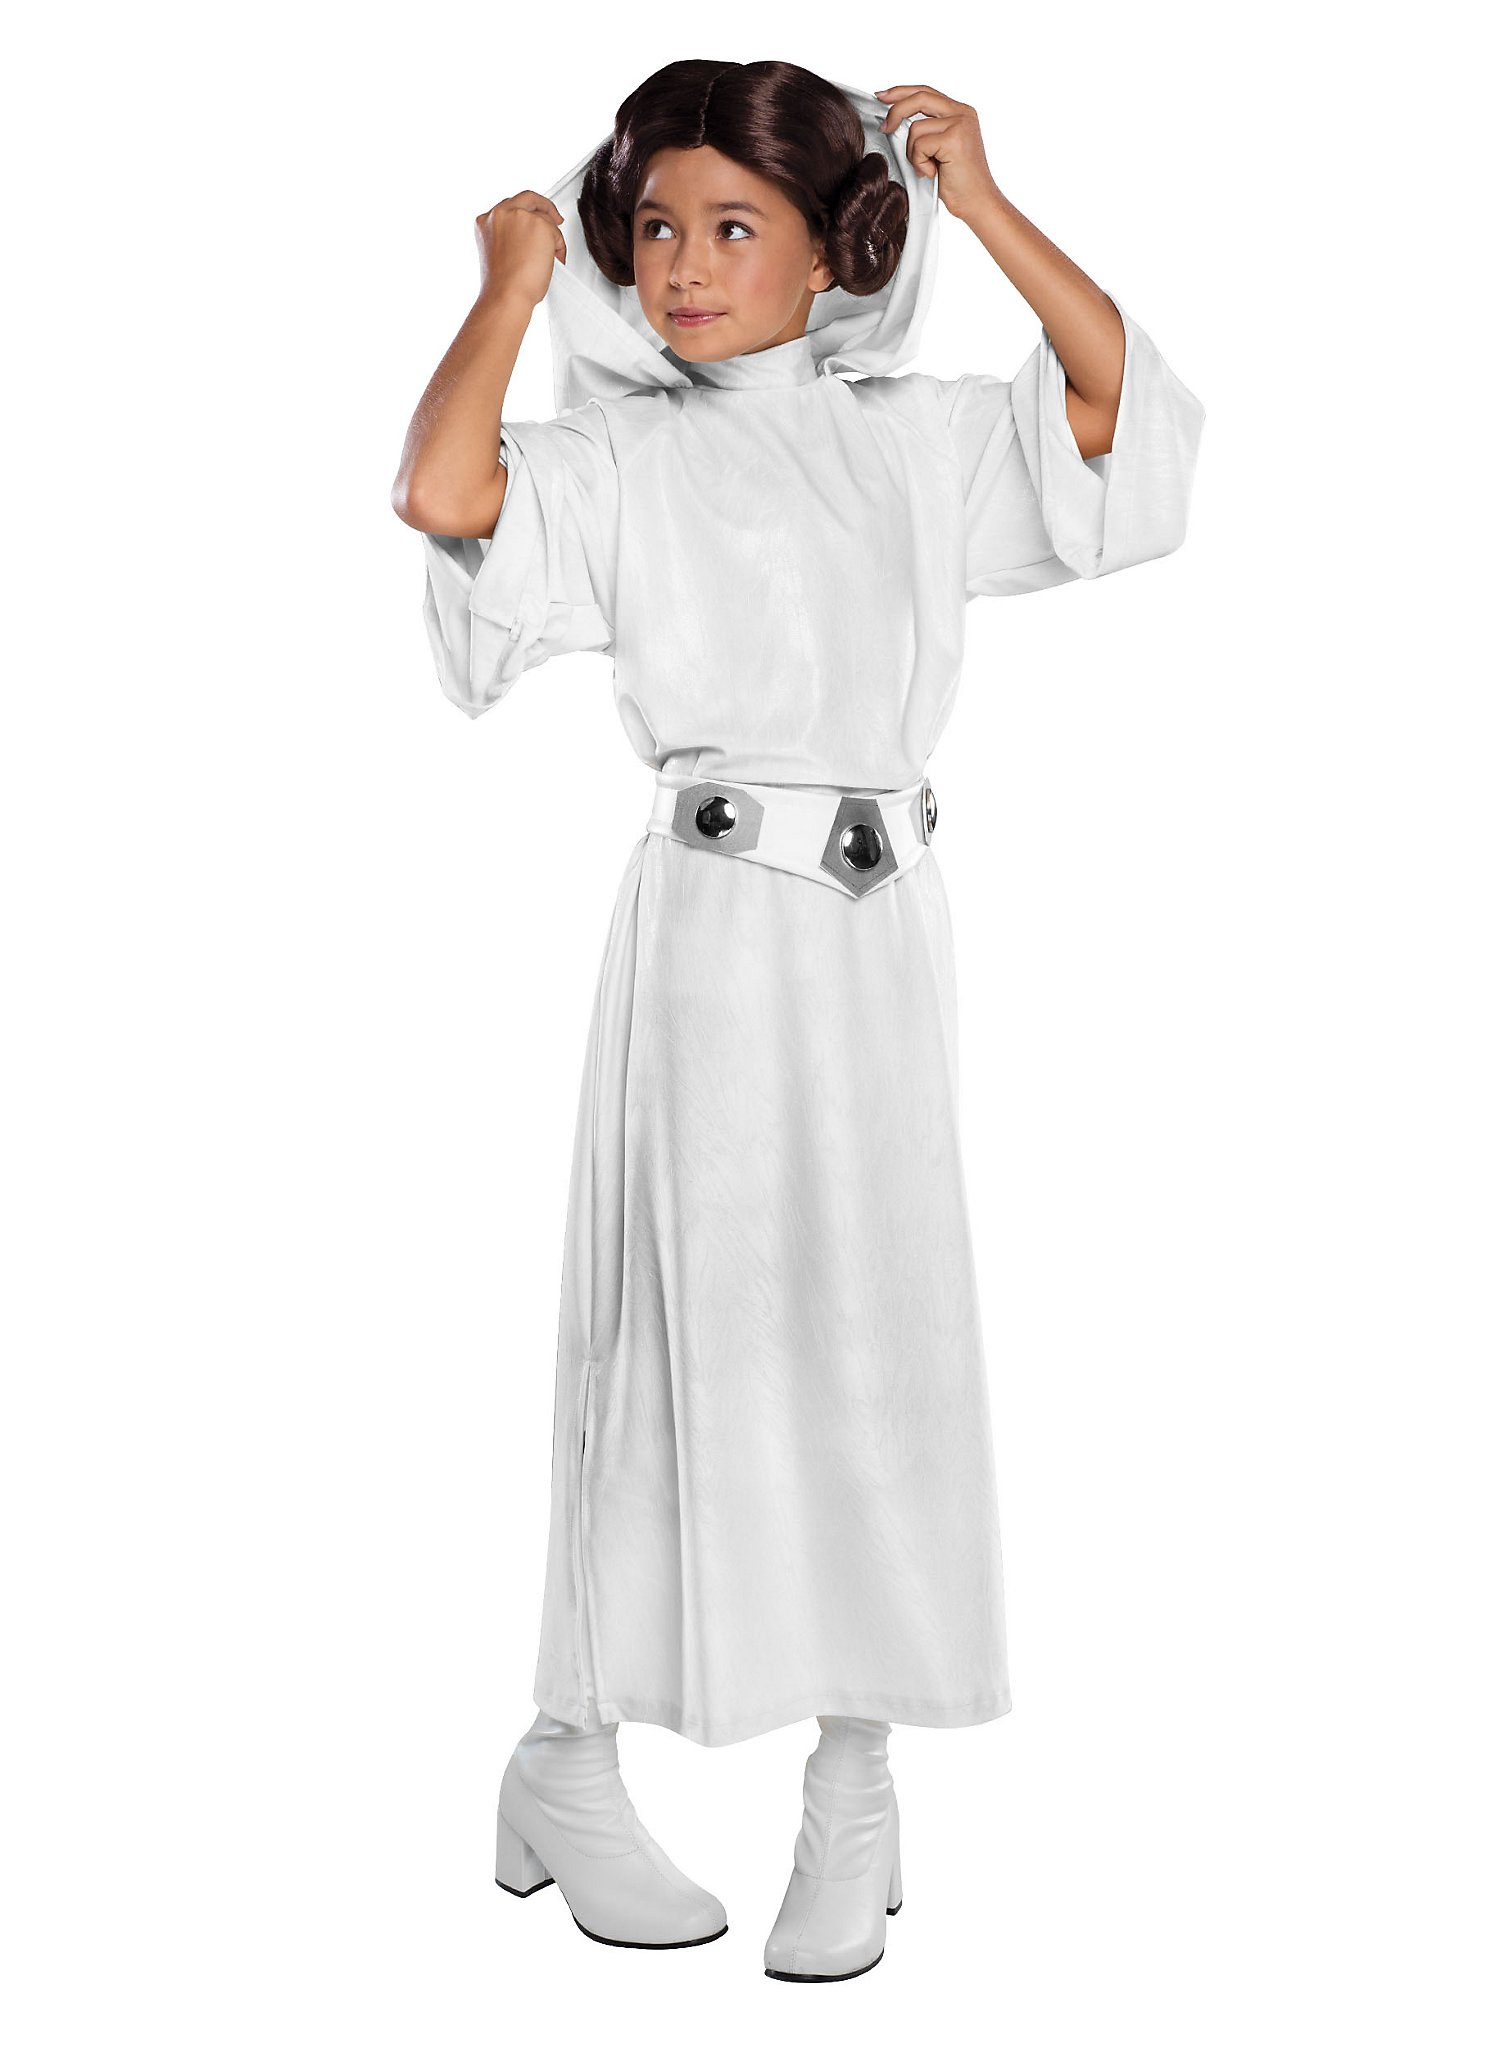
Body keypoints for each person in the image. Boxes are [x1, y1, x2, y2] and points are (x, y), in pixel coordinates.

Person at [391, 59, 1204, 1983]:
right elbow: (443, 492)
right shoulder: (617, 462)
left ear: (832, 252)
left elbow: (1113, 408)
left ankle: (857, 1787)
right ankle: (567, 1754)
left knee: (881, 1344)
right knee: (674, 1333)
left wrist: (978, 200)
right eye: (655, 228)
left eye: (732, 226)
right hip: (706, 941)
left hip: (880, 936)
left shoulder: (914, 445)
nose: (682, 265)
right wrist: (510, 284)